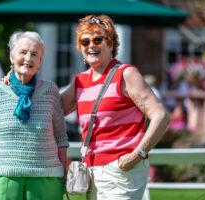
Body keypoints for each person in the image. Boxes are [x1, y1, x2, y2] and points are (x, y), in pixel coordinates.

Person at [61, 15, 170, 200]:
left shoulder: (126, 74)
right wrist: (16, 80)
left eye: (98, 40)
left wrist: (137, 154)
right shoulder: (80, 81)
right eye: (85, 42)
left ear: (111, 44)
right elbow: (49, 108)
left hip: (122, 170)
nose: (91, 46)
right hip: (91, 171)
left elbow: (161, 116)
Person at [0, 31, 68, 200]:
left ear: (40, 62)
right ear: (11, 57)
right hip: (2, 180)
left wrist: (64, 175)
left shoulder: (51, 92)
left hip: (46, 180)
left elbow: (61, 138)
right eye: (23, 52)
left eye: (35, 54)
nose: (28, 59)